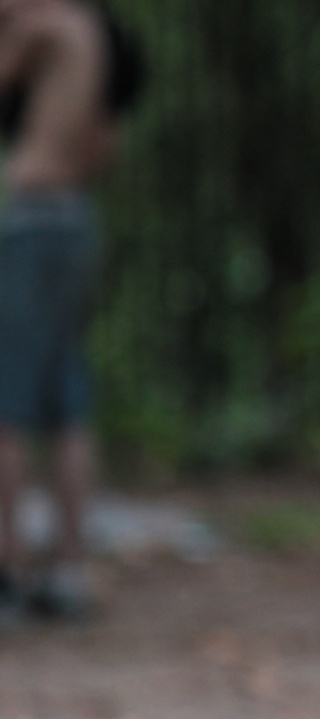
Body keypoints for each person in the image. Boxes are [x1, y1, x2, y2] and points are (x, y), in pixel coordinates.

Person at [0, 0, 141, 622]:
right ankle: (68, 570)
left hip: (33, 220)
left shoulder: (49, 27)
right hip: (75, 219)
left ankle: (3, 570)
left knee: (8, 402)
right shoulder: (98, 39)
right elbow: (110, 145)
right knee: (66, 403)